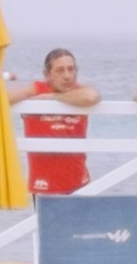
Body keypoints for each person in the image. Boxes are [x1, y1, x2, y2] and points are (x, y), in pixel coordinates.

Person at [19, 49, 94, 196]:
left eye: (71, 69)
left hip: (79, 183)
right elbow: (4, 98)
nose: (67, 76)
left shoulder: (80, 92)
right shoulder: (36, 90)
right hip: (44, 186)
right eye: (60, 70)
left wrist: (52, 98)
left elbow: (92, 97)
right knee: (43, 220)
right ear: (47, 74)